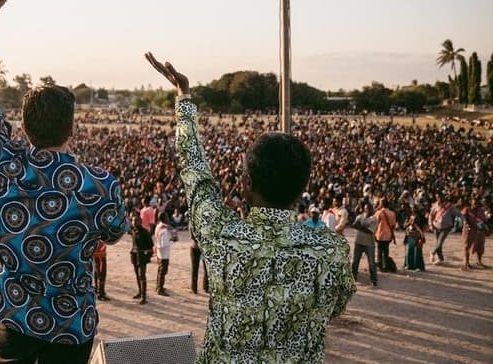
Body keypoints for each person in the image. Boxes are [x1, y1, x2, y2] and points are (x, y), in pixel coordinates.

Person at [145, 53, 355, 363]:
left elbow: (195, 171)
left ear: (247, 183)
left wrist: (184, 99)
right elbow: (336, 306)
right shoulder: (331, 249)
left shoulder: (220, 234)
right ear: (301, 189)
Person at [0, 0, 129, 364]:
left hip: (14, 316)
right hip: (71, 324)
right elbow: (115, 234)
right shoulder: (100, 186)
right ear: (72, 128)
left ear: (23, 126)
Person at [351, 202, 379, 287]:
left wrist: (360, 227)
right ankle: (353, 277)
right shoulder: (360, 216)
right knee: (355, 261)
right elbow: (353, 225)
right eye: (366, 208)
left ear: (372, 210)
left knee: (371, 263)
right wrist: (362, 227)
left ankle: (373, 280)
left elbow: (370, 231)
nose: (367, 210)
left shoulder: (373, 219)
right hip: (359, 241)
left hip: (369, 243)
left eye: (369, 208)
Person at [129, 212, 153, 305]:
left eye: (136, 221)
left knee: (142, 276)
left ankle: (144, 296)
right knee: (137, 275)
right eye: (133, 221)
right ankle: (140, 292)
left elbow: (150, 245)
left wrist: (147, 256)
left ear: (140, 221)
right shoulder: (133, 231)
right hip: (134, 255)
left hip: (142, 256)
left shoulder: (144, 232)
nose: (134, 222)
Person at [429, 196, 461, 265]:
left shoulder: (450, 207)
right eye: (438, 200)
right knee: (438, 243)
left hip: (446, 227)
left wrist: (464, 220)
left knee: (440, 242)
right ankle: (441, 259)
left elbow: (458, 213)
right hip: (436, 226)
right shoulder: (435, 205)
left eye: (441, 201)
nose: (439, 202)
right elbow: (431, 215)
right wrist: (430, 225)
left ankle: (433, 252)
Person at [461, 197, 488, 270]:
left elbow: (484, 219)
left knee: (480, 246)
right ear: (471, 202)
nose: (476, 204)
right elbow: (464, 217)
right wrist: (467, 224)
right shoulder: (467, 209)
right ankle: (466, 263)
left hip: (479, 230)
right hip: (469, 230)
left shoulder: (481, 210)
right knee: (467, 246)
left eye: (477, 203)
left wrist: (485, 227)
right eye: (474, 202)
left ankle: (479, 261)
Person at [153, 212, 174, 296]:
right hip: (164, 253)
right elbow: (164, 244)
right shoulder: (164, 230)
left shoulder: (158, 226)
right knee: (163, 271)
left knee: (160, 270)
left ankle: (158, 285)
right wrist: (172, 241)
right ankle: (160, 288)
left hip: (159, 251)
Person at [374, 198, 397, 272]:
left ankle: (380, 266)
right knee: (386, 251)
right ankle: (386, 265)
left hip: (380, 234)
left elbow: (375, 223)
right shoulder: (392, 213)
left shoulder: (379, 213)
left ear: (381, 204)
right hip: (388, 234)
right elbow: (393, 225)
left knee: (379, 251)